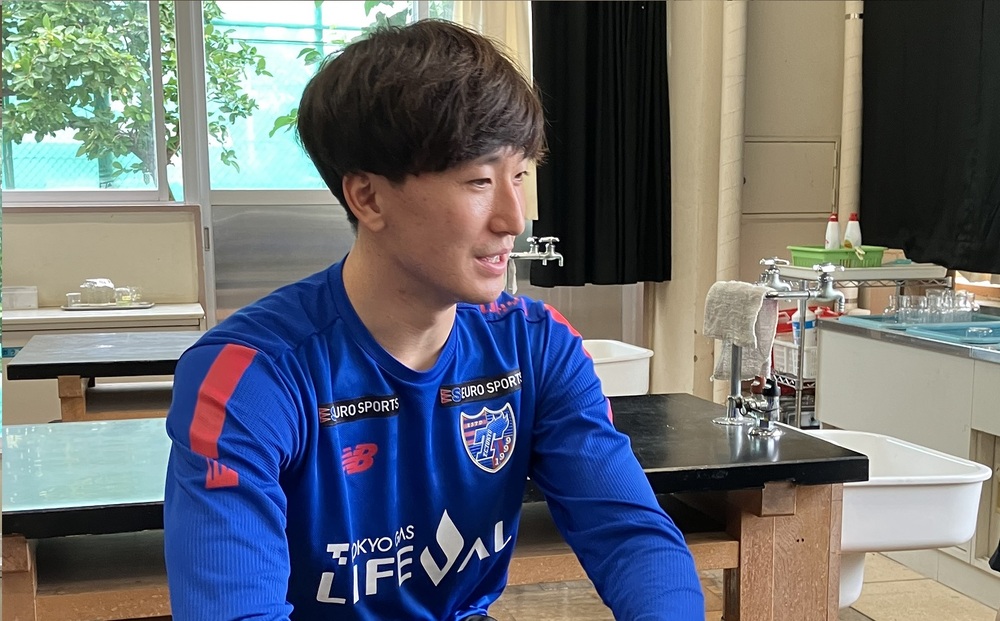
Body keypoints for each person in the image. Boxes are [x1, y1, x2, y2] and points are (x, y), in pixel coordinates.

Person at [163, 18, 703, 620]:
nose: (514, 218)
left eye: (520, 175)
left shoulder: (535, 346)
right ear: (368, 197)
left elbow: (630, 535)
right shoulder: (247, 377)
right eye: (478, 181)